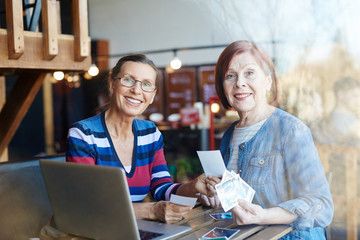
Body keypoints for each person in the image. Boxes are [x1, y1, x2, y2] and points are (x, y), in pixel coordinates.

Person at [203, 40, 333, 239]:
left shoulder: (291, 130)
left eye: (249, 73)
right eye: (230, 76)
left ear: (268, 81)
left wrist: (265, 216)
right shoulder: (229, 135)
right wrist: (214, 194)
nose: (239, 83)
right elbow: (238, 199)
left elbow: (322, 206)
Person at [66, 54, 217, 223]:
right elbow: (85, 204)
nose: (137, 90)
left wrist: (193, 186)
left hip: (131, 230)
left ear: (152, 95)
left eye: (146, 84)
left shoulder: (150, 134)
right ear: (112, 84)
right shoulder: (83, 134)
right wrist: (151, 210)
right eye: (128, 80)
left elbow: (162, 188)